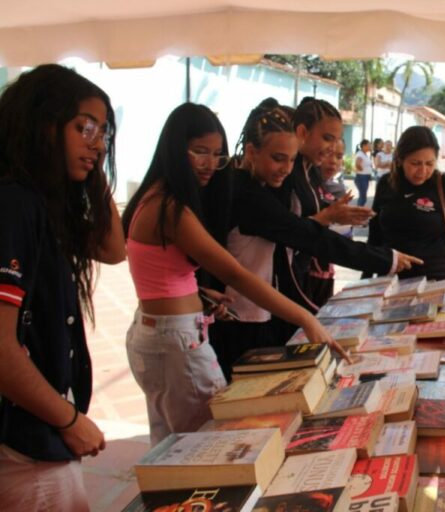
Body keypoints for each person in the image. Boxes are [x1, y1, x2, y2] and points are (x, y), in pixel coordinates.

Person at [122, 103, 337, 445]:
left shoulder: (152, 198)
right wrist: (305, 318)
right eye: (199, 152)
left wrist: (199, 295)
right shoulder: (171, 209)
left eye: (217, 154)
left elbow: (161, 272)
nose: (210, 164)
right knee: (211, 443)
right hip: (176, 342)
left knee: (171, 445)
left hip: (159, 332)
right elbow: (235, 273)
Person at [211, 101, 421, 379]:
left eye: (291, 160)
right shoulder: (248, 194)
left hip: (264, 309)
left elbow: (300, 235)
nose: (286, 169)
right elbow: (305, 235)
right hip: (240, 316)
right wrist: (384, 259)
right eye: (278, 158)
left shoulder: (267, 184)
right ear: (251, 152)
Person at [0, 64, 125, 510]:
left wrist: (94, 168)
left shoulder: (45, 204)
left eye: (103, 134)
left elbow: (113, 248)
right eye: (84, 128)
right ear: (42, 124)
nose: (97, 143)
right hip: (26, 443)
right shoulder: (16, 204)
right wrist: (69, 420)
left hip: (42, 434)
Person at [279, 98, 375, 315]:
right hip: (288, 284)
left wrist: (334, 216)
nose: (331, 150)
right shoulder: (290, 175)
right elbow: (289, 232)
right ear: (302, 132)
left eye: (337, 143)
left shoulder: (309, 172)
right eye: (327, 139)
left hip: (303, 276)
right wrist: (328, 216)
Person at [367, 126, 445, 280]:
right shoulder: (386, 184)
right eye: (415, 163)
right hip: (388, 280)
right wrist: (366, 278)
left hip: (433, 280)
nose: (422, 171)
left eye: (429, 164)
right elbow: (375, 235)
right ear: (400, 160)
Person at [354, 139, 374, 206]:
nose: (370, 146)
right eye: (369, 145)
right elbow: (357, 164)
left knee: (363, 196)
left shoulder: (364, 154)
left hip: (365, 177)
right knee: (363, 197)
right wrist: (363, 171)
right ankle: (358, 210)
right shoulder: (360, 154)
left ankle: (359, 209)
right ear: (364, 146)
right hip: (362, 177)